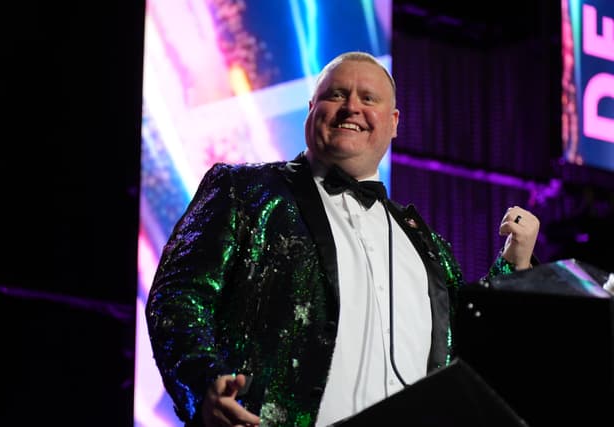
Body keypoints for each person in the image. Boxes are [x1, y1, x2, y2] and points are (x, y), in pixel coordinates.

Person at [146, 51, 540, 427]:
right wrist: (202, 380)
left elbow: (469, 348)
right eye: (336, 94)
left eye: (369, 98)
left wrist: (515, 269)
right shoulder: (245, 191)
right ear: (311, 110)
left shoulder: (426, 246)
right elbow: (178, 297)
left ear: (394, 121)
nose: (352, 107)